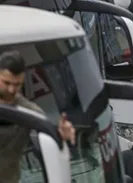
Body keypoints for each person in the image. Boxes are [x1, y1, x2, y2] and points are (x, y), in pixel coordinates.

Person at [0, 51, 76, 183]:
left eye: (17, 84)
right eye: (6, 83)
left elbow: (52, 139)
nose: (11, 90)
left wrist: (62, 136)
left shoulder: (30, 113)